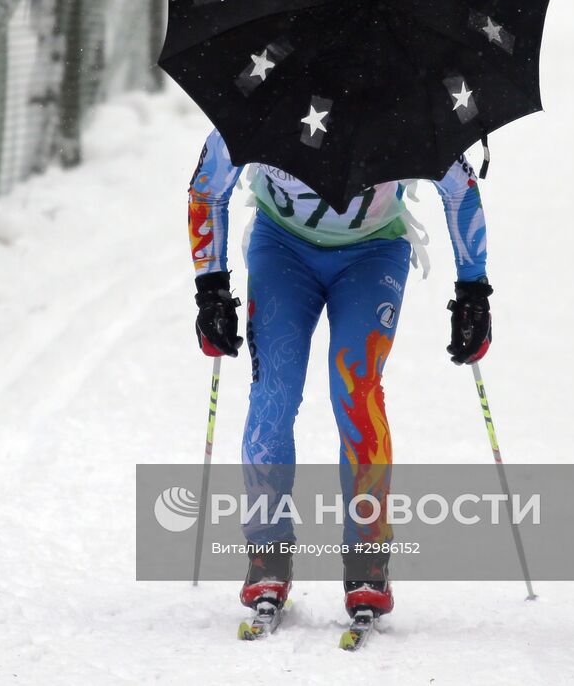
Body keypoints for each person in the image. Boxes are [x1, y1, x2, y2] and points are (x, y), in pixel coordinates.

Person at [187, 129, 491, 626]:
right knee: (273, 396)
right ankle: (268, 553)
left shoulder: (400, 98)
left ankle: (367, 557)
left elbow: (460, 186)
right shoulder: (270, 93)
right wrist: (211, 287)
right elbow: (207, 186)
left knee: (355, 390)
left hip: (372, 255)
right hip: (282, 250)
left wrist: (474, 289)